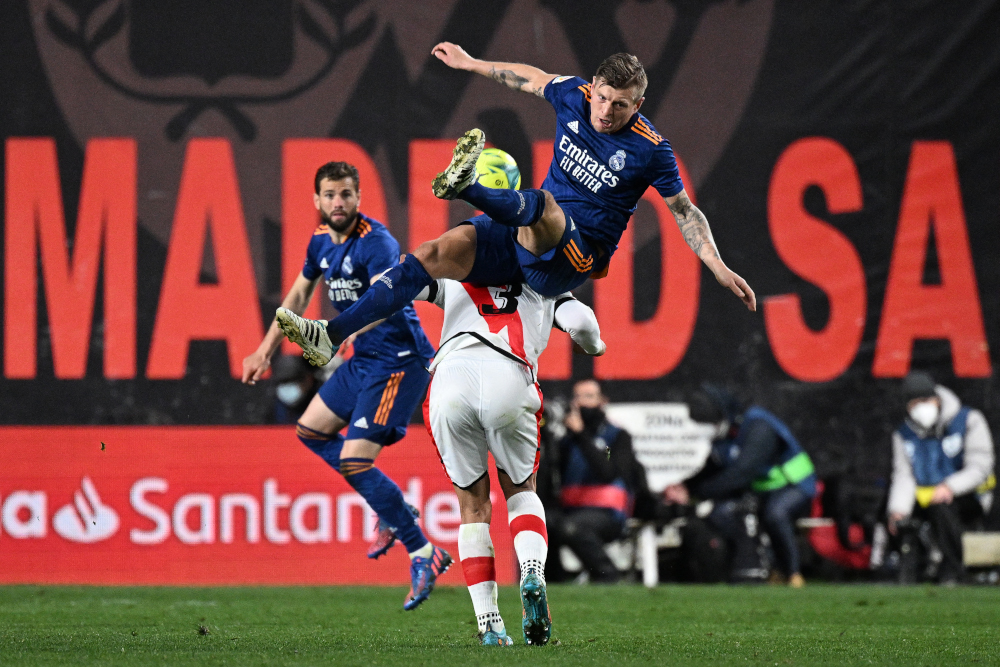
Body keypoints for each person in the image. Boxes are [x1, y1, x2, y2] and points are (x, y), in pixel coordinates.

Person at [274, 46, 755, 366]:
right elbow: (531, 78)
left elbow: (685, 211)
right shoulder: (575, 96)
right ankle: (330, 336)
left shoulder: (652, 149)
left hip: (571, 258)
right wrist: (471, 63)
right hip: (524, 229)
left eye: (622, 105)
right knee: (432, 254)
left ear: (640, 103)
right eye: (603, 98)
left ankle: (469, 188)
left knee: (542, 203)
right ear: (593, 85)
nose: (606, 112)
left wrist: (716, 263)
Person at [243, 161, 450, 610]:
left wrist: (342, 331)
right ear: (317, 201)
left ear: (359, 198)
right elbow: (297, 297)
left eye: (347, 195)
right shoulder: (320, 240)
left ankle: (423, 550)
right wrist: (265, 349)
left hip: (398, 361)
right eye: (331, 195)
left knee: (357, 464)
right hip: (362, 360)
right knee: (311, 431)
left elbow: (386, 297)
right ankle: (393, 510)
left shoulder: (377, 243)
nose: (339, 203)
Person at [418, 272, 605, 645]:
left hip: (450, 380)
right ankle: (532, 571)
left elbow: (408, 282)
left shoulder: (458, 272)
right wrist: (595, 346)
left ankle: (489, 624)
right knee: (521, 490)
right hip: (508, 373)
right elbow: (581, 322)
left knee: (472, 508)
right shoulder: (545, 280)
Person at [668, 387, 817, 587]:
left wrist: (698, 492)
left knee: (775, 514)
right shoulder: (725, 437)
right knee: (723, 513)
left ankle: (792, 573)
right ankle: (748, 569)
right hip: (763, 489)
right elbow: (712, 469)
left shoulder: (758, 427)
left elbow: (742, 473)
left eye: (711, 423)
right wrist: (685, 487)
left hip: (796, 484)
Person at [887, 371, 995, 583]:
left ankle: (955, 569)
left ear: (937, 398)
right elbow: (903, 476)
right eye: (915, 403)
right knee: (897, 516)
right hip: (927, 498)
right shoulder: (903, 434)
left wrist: (950, 487)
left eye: (926, 400)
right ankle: (906, 570)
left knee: (942, 509)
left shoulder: (968, 420)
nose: (921, 408)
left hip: (968, 496)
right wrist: (898, 511)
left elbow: (981, 466)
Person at [557, 379, 652, 584]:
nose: (582, 403)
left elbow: (607, 471)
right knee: (544, 524)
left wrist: (582, 435)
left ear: (602, 401)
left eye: (589, 397)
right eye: (578, 397)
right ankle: (554, 582)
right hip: (572, 510)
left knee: (572, 527)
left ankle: (607, 575)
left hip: (607, 515)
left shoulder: (615, 437)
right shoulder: (567, 441)